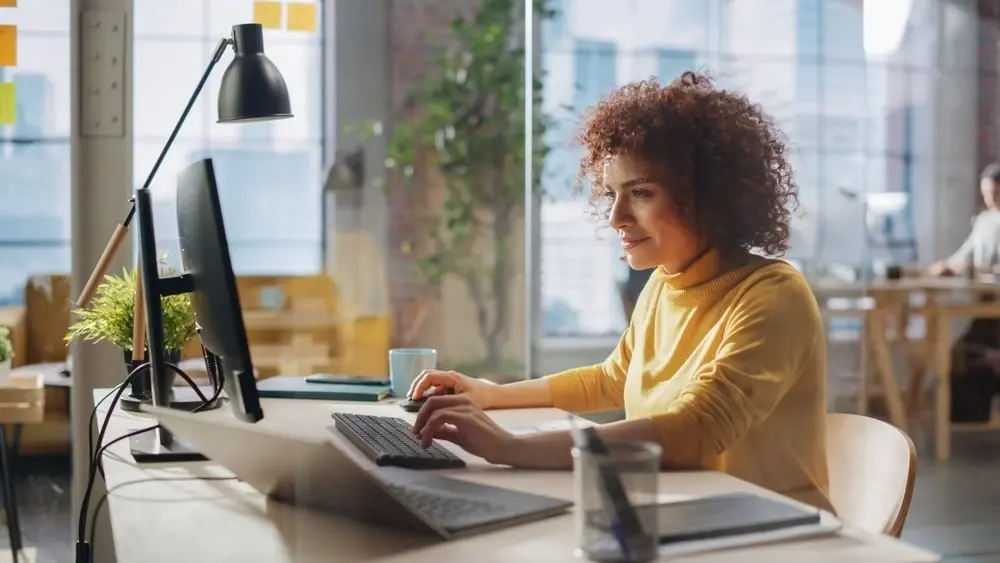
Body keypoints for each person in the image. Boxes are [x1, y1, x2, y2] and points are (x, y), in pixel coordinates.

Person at [408, 72, 834, 513]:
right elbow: (614, 378)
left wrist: (507, 447)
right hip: (685, 517)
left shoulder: (775, 295)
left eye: (641, 193)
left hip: (773, 535)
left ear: (709, 197)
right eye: (611, 194)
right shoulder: (666, 282)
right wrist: (491, 394)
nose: (615, 218)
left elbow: (694, 430)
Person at [928, 162, 1000, 276]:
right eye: (985, 194)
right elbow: (966, 251)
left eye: (995, 193)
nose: (989, 199)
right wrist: (948, 265)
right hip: (983, 287)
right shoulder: (984, 220)